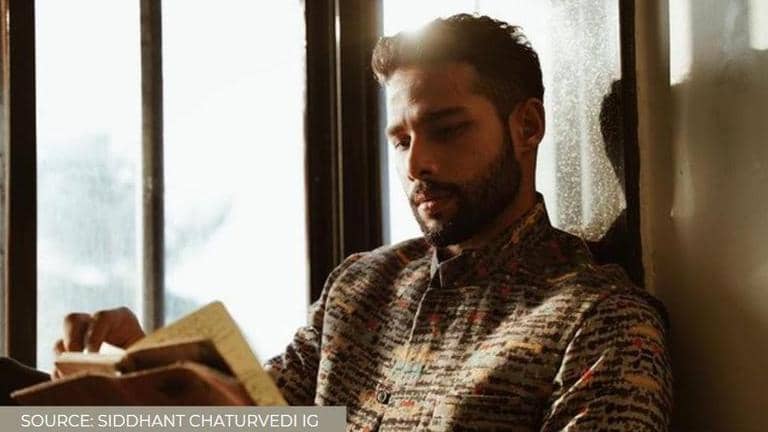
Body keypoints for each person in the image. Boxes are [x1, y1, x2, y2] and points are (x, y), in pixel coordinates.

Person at [54, 14, 672, 431]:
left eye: (447, 129)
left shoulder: (601, 321)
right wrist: (144, 365)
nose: (418, 164)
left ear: (527, 127)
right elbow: (261, 414)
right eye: (401, 141)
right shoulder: (360, 286)